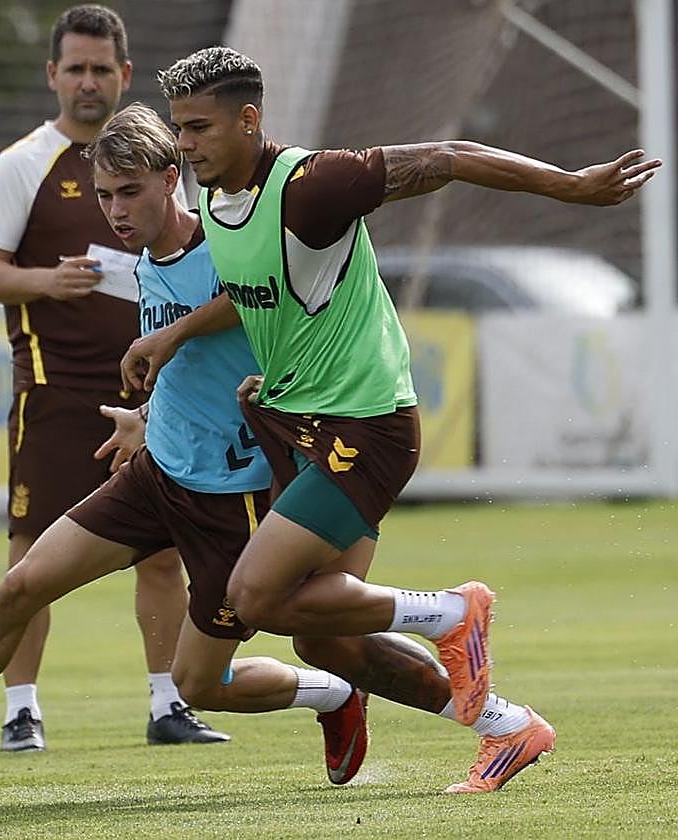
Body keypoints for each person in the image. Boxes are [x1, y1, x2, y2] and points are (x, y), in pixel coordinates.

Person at [121, 46, 661, 794]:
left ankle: (451, 612)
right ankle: (507, 728)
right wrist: (200, 349)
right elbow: (262, 293)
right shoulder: (217, 201)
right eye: (180, 129)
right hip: (303, 426)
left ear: (250, 120)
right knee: (324, 639)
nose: (185, 145)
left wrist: (569, 185)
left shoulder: (312, 185)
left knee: (252, 597)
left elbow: (448, 156)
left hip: (365, 427)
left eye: (199, 129)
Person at [0, 102, 371, 787]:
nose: (116, 211)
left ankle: (336, 693)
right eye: (104, 196)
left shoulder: (225, 239)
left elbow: (258, 299)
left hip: (229, 497)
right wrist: (147, 416)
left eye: (130, 192)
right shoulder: (145, 261)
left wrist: (173, 337)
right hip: (155, 478)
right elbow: (193, 371)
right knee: (21, 584)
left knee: (204, 684)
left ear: (169, 178)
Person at [0, 5, 222, 751]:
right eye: (75, 68)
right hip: (55, 388)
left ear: (125, 75)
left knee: (163, 549)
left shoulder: (159, 164)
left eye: (103, 68)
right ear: (53, 76)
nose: (89, 81)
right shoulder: (20, 165)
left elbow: (190, 260)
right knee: (32, 552)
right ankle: (21, 710)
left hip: (150, 388)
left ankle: (169, 703)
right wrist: (49, 281)